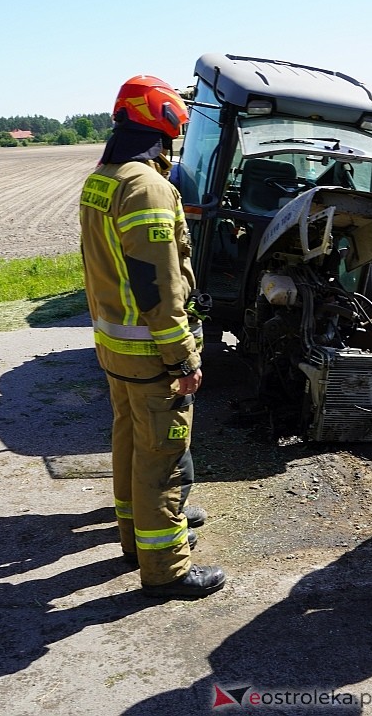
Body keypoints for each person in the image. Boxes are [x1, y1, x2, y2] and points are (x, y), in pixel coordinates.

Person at [79, 74, 225, 598]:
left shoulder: (103, 178)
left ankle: (133, 536)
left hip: (115, 345)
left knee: (129, 441)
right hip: (150, 348)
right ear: (163, 124)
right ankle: (167, 568)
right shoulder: (147, 186)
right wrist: (184, 357)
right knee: (162, 455)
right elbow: (158, 284)